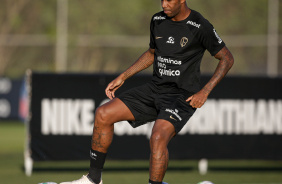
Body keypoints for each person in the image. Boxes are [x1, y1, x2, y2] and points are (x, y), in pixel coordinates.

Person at [60, 0, 234, 184]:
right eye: (161, 0)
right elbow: (152, 53)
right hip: (155, 89)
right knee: (103, 114)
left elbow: (227, 58)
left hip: (181, 96)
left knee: (157, 137)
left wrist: (205, 91)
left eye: (169, 0)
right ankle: (93, 180)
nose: (164, 4)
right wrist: (124, 76)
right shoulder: (157, 20)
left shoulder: (199, 25)